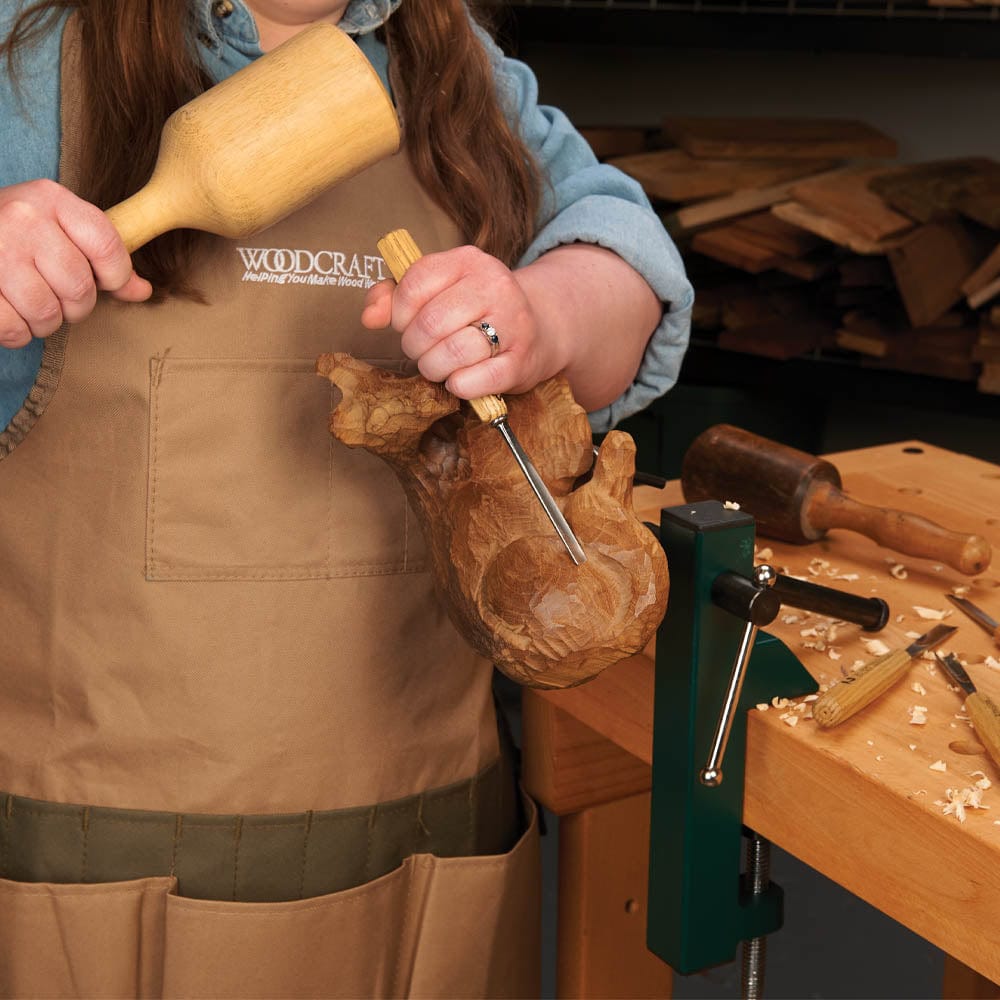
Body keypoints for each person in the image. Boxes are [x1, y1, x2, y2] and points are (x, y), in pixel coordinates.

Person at [0, 0, 693, 995]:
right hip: (90, 878)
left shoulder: (461, 76)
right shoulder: (26, 63)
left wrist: (542, 313)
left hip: (419, 861)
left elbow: (621, 254)